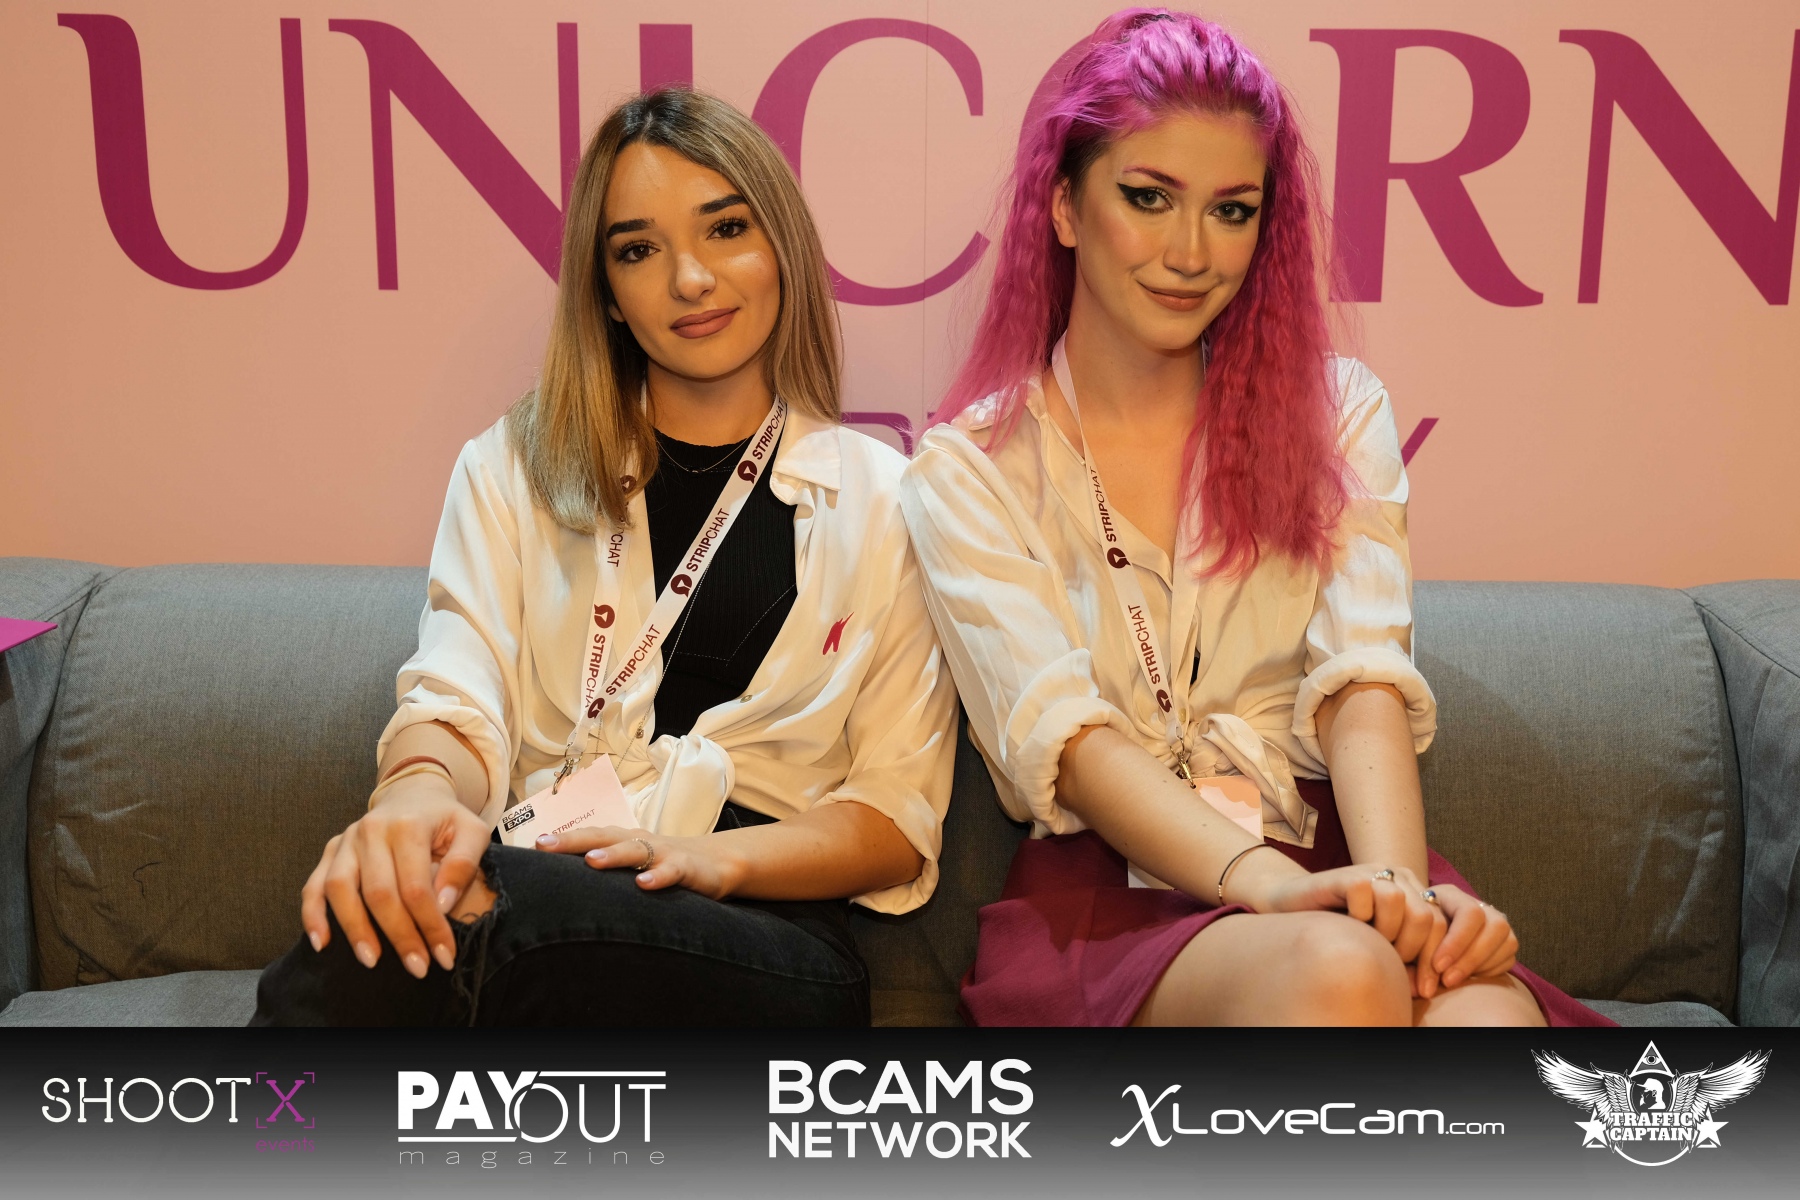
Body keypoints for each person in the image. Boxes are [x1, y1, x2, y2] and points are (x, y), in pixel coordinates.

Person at [900, 9, 1609, 1026]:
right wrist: (1272, 888)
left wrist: (1398, 898)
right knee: (1339, 970)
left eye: (1232, 210)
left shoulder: (1337, 410)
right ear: (1063, 206)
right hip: (1112, 895)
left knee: (1481, 1022)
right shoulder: (968, 467)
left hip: (1331, 856)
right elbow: (1072, 744)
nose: (1192, 252)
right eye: (1148, 198)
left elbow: (1363, 676)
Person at [254, 88, 957, 1026]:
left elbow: (895, 817)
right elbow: (456, 697)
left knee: (475, 910)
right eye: (638, 250)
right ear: (609, 296)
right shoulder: (513, 466)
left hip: (766, 933)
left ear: (782, 247)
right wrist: (411, 800)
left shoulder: (888, 500)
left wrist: (710, 860)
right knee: (429, 897)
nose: (691, 279)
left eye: (726, 229)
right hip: (545, 878)